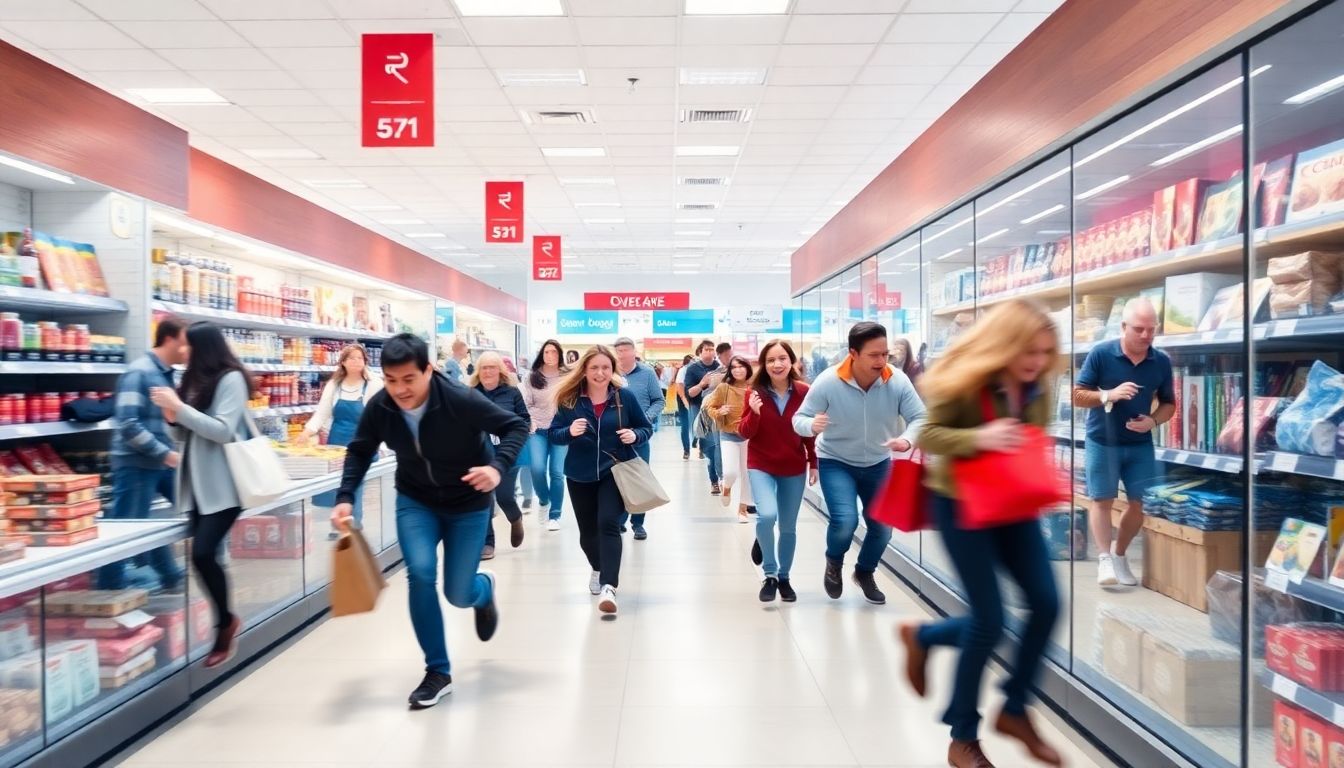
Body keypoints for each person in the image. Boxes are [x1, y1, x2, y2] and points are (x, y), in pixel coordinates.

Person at [897, 299, 1065, 768]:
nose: (1036, 362)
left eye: (1045, 353)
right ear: (1005, 344)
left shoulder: (1038, 387)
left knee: (1048, 603)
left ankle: (1013, 708)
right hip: (960, 504)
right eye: (1029, 351)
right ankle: (963, 736)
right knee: (989, 619)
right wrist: (981, 438)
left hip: (1013, 503)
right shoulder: (966, 381)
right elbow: (928, 434)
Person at [330, 333, 528, 709]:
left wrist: (497, 467)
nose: (400, 390)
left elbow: (516, 427)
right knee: (420, 574)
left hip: (468, 503)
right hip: (415, 501)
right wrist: (344, 498)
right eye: (391, 380)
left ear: (428, 370)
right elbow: (360, 450)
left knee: (457, 592)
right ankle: (438, 671)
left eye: (408, 379)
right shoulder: (382, 406)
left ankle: (482, 590)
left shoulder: (460, 399)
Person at [793, 321, 926, 605]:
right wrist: (811, 425)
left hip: (879, 463)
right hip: (836, 461)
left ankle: (864, 572)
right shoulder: (829, 381)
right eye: (874, 355)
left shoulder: (897, 381)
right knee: (845, 521)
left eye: (885, 354)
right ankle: (834, 563)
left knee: (882, 527)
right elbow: (798, 419)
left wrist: (907, 440)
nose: (882, 361)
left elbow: (921, 418)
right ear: (853, 353)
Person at [148, 322, 252, 669]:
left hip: (225, 484)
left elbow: (222, 430)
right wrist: (171, 418)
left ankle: (225, 624)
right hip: (196, 484)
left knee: (204, 553)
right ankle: (224, 620)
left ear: (204, 347)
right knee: (202, 557)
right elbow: (186, 435)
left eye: (188, 346)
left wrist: (180, 409)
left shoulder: (231, 378)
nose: (183, 351)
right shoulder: (191, 379)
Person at [1073, 297, 1174, 588]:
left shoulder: (1161, 361)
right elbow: (1078, 395)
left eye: (1151, 329)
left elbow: (1169, 404)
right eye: (1139, 329)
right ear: (1123, 327)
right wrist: (1108, 394)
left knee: (1140, 503)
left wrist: (1153, 421)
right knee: (1101, 499)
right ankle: (1104, 558)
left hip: (1140, 443)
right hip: (1103, 440)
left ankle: (1119, 555)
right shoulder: (1101, 354)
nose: (1146, 336)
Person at [548, 346, 653, 617]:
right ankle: (598, 567)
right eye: (594, 367)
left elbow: (645, 428)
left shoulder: (624, 398)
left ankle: (609, 586)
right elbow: (554, 434)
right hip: (579, 474)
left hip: (614, 471)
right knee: (587, 534)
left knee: (608, 523)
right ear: (584, 370)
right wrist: (569, 432)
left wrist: (635, 435)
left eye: (605, 367)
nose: (600, 372)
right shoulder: (570, 400)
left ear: (613, 370)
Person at [100, 316, 189, 591]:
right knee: (126, 527)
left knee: (162, 517)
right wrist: (167, 455)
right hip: (136, 463)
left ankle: (170, 574)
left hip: (161, 460)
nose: (189, 349)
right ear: (170, 339)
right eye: (186, 342)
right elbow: (127, 423)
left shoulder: (166, 374)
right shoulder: (139, 372)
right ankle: (109, 587)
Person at [738, 340, 818, 602]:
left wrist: (813, 461)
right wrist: (755, 413)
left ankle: (784, 577)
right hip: (761, 464)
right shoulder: (755, 392)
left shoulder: (804, 392)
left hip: (793, 466)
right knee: (766, 515)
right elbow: (744, 432)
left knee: (788, 527)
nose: (777, 364)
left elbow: (807, 431)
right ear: (764, 364)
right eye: (771, 360)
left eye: (782, 358)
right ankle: (769, 574)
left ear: (792, 361)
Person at [298, 343, 383, 537]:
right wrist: (307, 432)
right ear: (343, 362)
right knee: (339, 484)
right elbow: (322, 413)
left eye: (360, 358)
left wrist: (382, 441)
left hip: (364, 441)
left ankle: (353, 525)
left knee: (356, 482)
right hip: (337, 442)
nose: (356, 361)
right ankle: (340, 524)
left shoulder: (373, 383)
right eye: (351, 358)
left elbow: (379, 416)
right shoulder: (334, 385)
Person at [470, 351, 530, 559]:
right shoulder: (471, 393)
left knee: (504, 497)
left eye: (492, 367)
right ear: (479, 371)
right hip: (480, 452)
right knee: (484, 497)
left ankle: (515, 518)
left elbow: (524, 419)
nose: (487, 371)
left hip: (507, 452)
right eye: (484, 367)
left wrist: (511, 429)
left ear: (500, 370)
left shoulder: (512, 393)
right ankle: (488, 543)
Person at [612, 337, 664, 541]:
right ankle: (619, 521)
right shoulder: (610, 374)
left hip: (639, 435)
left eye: (625, 350)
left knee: (639, 478)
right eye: (618, 350)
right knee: (617, 480)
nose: (621, 354)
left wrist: (646, 418)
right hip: (614, 436)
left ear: (634, 351)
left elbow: (658, 400)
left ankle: (638, 523)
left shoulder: (647, 373)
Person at [523, 339, 570, 532]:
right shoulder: (532, 377)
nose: (550, 355)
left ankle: (555, 515)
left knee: (557, 473)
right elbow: (526, 403)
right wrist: (530, 421)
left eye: (554, 352)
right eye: (547, 352)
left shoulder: (568, 376)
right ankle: (543, 499)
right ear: (542, 354)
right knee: (537, 468)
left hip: (561, 429)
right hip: (538, 429)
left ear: (560, 354)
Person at [705, 355, 756, 524]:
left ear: (747, 368)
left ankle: (743, 510)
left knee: (747, 474)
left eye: (741, 366)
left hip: (750, 436)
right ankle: (726, 487)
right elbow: (709, 407)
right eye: (734, 367)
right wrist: (720, 411)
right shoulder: (724, 388)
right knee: (730, 472)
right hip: (728, 434)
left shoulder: (754, 388)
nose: (738, 370)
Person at [683, 339, 726, 494]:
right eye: (706, 349)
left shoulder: (720, 368)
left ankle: (720, 478)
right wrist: (702, 384)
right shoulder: (693, 369)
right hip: (700, 409)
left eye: (712, 349)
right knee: (709, 445)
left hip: (719, 410)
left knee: (718, 445)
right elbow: (690, 392)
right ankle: (714, 479)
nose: (710, 352)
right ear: (700, 352)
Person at [674, 354, 694, 459]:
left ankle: (702, 448)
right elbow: (679, 387)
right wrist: (684, 401)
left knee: (700, 424)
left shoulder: (698, 369)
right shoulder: (683, 370)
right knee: (685, 425)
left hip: (694, 396)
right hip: (683, 398)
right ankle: (686, 450)